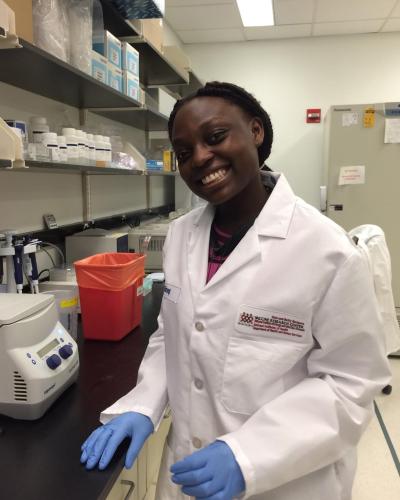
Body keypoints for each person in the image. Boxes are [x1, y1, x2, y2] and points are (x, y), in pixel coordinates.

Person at [80, 81, 391, 500]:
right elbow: (173, 336)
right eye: (185, 153)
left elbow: (351, 382)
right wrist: (143, 404)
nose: (201, 159)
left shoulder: (327, 252)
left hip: (286, 480)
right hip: (187, 473)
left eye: (215, 137)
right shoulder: (180, 236)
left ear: (256, 132)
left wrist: (247, 456)